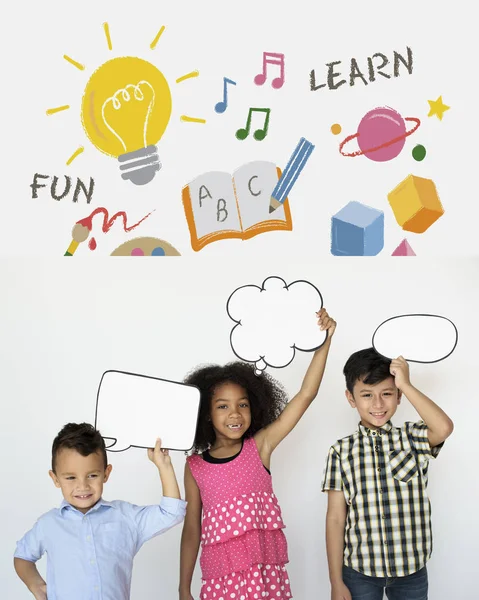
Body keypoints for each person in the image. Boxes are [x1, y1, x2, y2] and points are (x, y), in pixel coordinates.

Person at [179, 307, 336, 600]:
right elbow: (191, 530)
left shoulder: (259, 447)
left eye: (243, 404)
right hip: (220, 580)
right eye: (223, 406)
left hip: (264, 579)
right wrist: (183, 587)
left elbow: (305, 394)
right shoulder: (195, 466)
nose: (235, 413)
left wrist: (324, 341)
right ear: (205, 414)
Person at [322, 348, 454, 600]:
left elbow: (444, 427)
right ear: (351, 398)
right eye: (367, 395)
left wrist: (405, 382)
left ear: (398, 396)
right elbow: (336, 519)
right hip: (359, 570)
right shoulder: (340, 451)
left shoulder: (411, 437)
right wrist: (335, 581)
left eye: (387, 393)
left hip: (411, 569)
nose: (378, 404)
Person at [14, 422, 186, 600]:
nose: (82, 486)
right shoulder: (48, 524)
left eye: (92, 475)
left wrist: (163, 465)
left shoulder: (125, 517)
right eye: (71, 477)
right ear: (55, 478)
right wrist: (36, 585)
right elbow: (22, 555)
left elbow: (171, 513)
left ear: (106, 473)